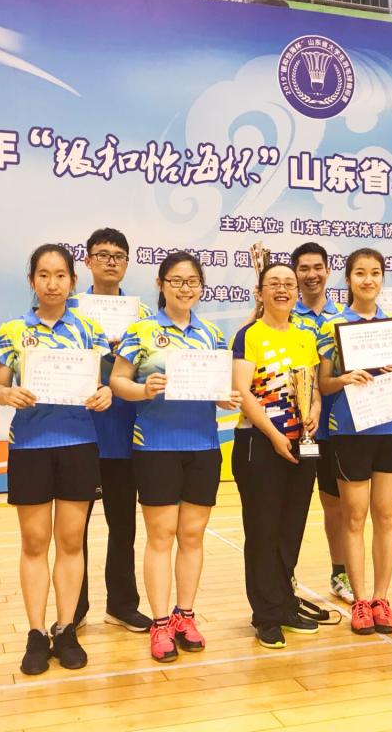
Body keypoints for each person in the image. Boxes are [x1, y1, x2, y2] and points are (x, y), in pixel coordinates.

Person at [110, 251, 241, 663]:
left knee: (192, 536)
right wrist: (143, 389)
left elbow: (218, 391)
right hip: (156, 446)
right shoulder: (142, 330)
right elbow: (117, 380)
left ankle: (186, 615)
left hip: (203, 446)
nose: (185, 289)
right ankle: (161, 621)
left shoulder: (212, 335)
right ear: (161, 284)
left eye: (192, 282)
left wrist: (225, 398)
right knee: (161, 536)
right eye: (177, 281)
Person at [0, 244, 112, 673]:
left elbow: (105, 384)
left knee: (71, 541)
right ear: (32, 281)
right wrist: (7, 393)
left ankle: (66, 628)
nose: (52, 283)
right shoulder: (12, 330)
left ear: (73, 281)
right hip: (30, 446)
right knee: (34, 542)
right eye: (43, 275)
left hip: (78, 444)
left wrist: (105, 393)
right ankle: (36, 632)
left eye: (61, 275)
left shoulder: (89, 330)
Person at [318, 249, 392, 636]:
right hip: (350, 432)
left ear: (382, 279)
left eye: (375, 273)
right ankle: (359, 600)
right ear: (348, 279)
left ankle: (381, 598)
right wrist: (345, 378)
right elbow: (324, 384)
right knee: (353, 518)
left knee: (386, 517)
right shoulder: (332, 326)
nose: (368, 280)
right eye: (360, 273)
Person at [232, 261, 322, 649]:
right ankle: (265, 615)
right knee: (263, 530)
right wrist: (273, 434)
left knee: (290, 528)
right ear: (260, 292)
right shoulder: (249, 335)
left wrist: (314, 411)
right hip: (260, 443)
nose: (283, 289)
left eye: (289, 283)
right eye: (274, 283)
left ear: (297, 292)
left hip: (302, 443)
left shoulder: (305, 337)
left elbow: (312, 388)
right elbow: (243, 391)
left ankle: (285, 604)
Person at [70, 228, 153, 633]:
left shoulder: (142, 316)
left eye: (118, 255)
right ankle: (74, 607)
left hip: (125, 432)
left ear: (126, 263)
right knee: (74, 530)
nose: (110, 262)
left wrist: (127, 356)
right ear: (87, 261)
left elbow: (152, 366)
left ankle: (121, 604)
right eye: (102, 254)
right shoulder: (70, 310)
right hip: (80, 434)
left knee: (123, 526)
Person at [290, 242, 352, 605]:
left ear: (328, 271)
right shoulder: (283, 315)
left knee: (336, 506)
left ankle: (339, 572)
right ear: (295, 273)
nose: (311, 274)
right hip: (292, 428)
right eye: (304, 268)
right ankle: (285, 573)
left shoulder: (344, 319)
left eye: (318, 267)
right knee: (291, 505)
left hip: (334, 428)